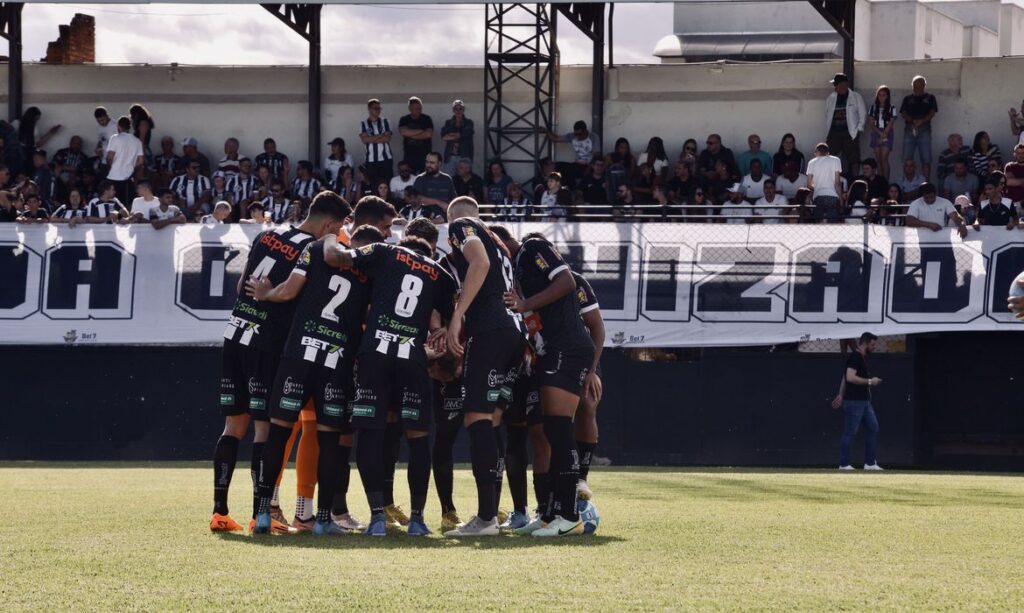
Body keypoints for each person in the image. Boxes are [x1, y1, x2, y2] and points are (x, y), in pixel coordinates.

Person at [209, 191, 349, 534]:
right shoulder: (312, 249)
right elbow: (289, 290)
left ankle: (220, 512)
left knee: (232, 428)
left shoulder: (266, 234)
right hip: (267, 344)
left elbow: (243, 283)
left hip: (235, 333)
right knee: (264, 429)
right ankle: (262, 514)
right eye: (339, 226)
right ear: (330, 223)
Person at [322, 211, 457, 537]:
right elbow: (449, 318)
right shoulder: (441, 273)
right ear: (430, 250)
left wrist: (329, 237)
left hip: (375, 355)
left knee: (370, 434)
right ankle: (418, 518)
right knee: (418, 438)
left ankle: (377, 517)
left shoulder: (384, 251)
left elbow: (338, 258)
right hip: (412, 359)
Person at [248, 215, 377, 537]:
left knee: (278, 433)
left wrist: (265, 294)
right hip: (335, 362)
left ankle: (263, 513)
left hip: (299, 355)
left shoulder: (318, 250)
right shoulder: (370, 272)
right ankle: (321, 519)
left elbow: (289, 292)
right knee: (328, 440)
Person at [440, 197, 526, 536]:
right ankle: (492, 513)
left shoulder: (462, 226)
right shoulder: (500, 242)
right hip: (512, 333)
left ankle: (486, 517)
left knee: (476, 417)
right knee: (492, 419)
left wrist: (458, 315)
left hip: (489, 331)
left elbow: (479, 264)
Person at [503, 232, 594, 537]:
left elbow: (566, 281)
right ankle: (548, 514)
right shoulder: (516, 273)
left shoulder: (531, 247)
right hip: (550, 351)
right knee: (547, 430)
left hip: (565, 348)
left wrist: (526, 302)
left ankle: (569, 516)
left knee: (558, 429)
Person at [831, 332, 883, 470]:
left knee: (873, 427)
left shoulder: (860, 357)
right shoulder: (855, 356)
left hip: (864, 401)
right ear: (865, 343)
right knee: (850, 432)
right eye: (872, 344)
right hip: (855, 401)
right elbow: (849, 377)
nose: (874, 347)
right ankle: (844, 464)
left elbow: (844, 377)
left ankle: (870, 463)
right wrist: (871, 381)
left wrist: (840, 394)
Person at [824, 73, 866, 177]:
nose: (834, 87)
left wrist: (858, 129)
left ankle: (855, 181)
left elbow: (863, 113)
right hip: (834, 132)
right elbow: (826, 113)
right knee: (830, 156)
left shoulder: (856, 97)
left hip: (850, 133)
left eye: (836, 84)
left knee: (854, 159)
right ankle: (831, 179)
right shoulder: (831, 97)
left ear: (844, 85)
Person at [899, 75, 938, 180]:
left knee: (926, 159)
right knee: (907, 159)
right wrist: (912, 121)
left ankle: (926, 182)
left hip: (924, 130)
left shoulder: (930, 98)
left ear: (924, 85)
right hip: (909, 129)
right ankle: (906, 183)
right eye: (915, 85)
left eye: (919, 85)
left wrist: (922, 121)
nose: (917, 88)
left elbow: (932, 112)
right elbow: (903, 112)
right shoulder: (907, 99)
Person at [104, 116, 144, 205]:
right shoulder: (137, 141)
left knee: (111, 204)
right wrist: (133, 170)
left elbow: (109, 157)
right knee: (126, 205)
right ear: (130, 127)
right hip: (128, 178)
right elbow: (141, 162)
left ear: (118, 126)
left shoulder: (115, 138)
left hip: (113, 177)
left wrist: (110, 167)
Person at [805, 143, 843, 223]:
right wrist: (841, 200)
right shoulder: (836, 160)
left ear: (816, 152)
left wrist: (817, 188)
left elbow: (808, 184)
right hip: (833, 196)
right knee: (833, 227)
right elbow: (837, 183)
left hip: (818, 196)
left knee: (819, 227)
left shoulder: (812, 162)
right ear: (828, 152)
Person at [360, 99, 394, 186]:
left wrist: (371, 138)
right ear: (369, 109)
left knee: (387, 184)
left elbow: (387, 139)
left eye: (379, 108)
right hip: (371, 160)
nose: (378, 110)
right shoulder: (363, 123)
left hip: (386, 159)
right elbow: (364, 140)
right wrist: (381, 135)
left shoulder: (385, 121)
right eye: (375, 108)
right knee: (373, 185)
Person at [866, 85, 896, 179]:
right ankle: (880, 181)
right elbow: (871, 123)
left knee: (884, 159)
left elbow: (891, 123)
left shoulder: (892, 107)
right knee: (878, 160)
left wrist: (883, 136)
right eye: (879, 95)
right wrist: (879, 134)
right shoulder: (873, 107)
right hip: (876, 132)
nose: (881, 97)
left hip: (887, 133)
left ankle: (886, 182)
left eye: (883, 95)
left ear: (887, 96)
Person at [398, 96, 433, 174]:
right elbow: (403, 132)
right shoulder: (404, 119)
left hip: (425, 155)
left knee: (425, 178)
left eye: (420, 108)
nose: (419, 111)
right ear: (410, 108)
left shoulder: (426, 119)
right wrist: (421, 131)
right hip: (409, 155)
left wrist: (410, 134)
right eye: (416, 108)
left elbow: (428, 134)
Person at [441, 99, 474, 175]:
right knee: (449, 178)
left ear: (463, 110)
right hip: (450, 156)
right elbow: (444, 137)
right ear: (453, 110)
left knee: (464, 178)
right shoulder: (448, 123)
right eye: (456, 109)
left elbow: (466, 133)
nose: (458, 111)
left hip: (464, 155)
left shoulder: (469, 122)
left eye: (460, 109)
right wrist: (458, 135)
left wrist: (451, 134)